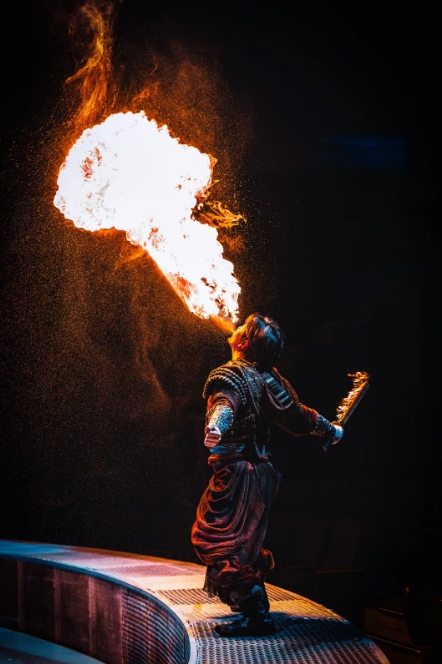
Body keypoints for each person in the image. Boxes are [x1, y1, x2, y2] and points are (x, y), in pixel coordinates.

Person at [191, 313, 343, 637]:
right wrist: (331, 430)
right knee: (243, 546)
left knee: (217, 541)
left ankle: (256, 615)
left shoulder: (231, 375)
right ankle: (249, 607)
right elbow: (298, 417)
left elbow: (225, 404)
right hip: (261, 475)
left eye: (243, 327)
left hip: (238, 476)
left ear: (244, 343)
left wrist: (215, 426)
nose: (235, 326)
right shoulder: (269, 378)